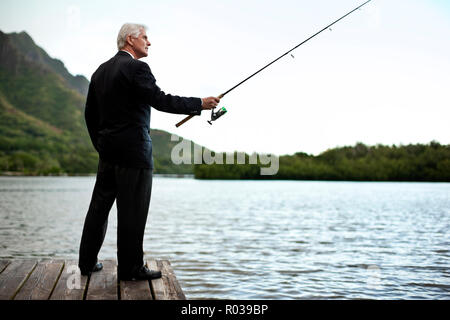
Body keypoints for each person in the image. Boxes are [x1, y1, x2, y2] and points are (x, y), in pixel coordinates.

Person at [78, 23, 220, 280]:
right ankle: (130, 269)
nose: (149, 42)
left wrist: (102, 145)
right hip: (135, 154)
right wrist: (200, 103)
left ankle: (86, 263)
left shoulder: (100, 72)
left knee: (98, 208)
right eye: (145, 37)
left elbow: (90, 115)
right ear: (130, 39)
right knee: (133, 211)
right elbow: (161, 99)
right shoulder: (137, 68)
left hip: (108, 153)